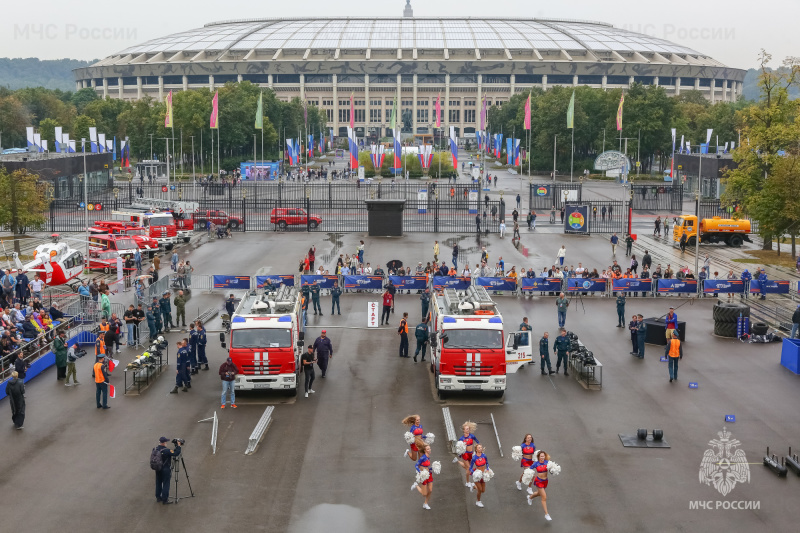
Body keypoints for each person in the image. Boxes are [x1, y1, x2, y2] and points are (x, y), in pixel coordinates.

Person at [153, 437, 182, 504]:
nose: (166, 443)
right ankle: (165, 499)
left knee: (158, 483)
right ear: (163, 443)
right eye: (166, 442)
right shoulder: (166, 450)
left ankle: (158, 497)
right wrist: (179, 446)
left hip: (158, 469)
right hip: (165, 469)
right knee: (166, 484)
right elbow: (176, 453)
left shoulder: (155, 449)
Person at [526, 450, 553, 521]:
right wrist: (528, 475)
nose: (542, 457)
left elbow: (551, 470)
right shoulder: (536, 464)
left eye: (543, 456)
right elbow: (529, 470)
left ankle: (530, 497)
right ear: (538, 457)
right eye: (541, 456)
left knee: (539, 493)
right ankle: (546, 514)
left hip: (545, 481)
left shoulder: (547, 463)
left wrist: (552, 470)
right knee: (544, 497)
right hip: (539, 481)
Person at [454, 421, 479, 488]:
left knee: (467, 467)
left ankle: (458, 461)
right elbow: (458, 447)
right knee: (468, 468)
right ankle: (467, 482)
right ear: (464, 430)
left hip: (471, 454)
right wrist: (459, 454)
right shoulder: (461, 439)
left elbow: (477, 442)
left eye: (468, 429)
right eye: (467, 429)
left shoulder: (472, 436)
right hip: (465, 454)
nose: (468, 430)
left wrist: (477, 449)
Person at [411, 443, 435, 510]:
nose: (429, 450)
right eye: (428, 449)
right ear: (425, 450)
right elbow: (416, 465)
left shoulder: (428, 457)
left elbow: (427, 467)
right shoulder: (423, 458)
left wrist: (432, 468)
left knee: (430, 490)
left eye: (429, 448)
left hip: (429, 474)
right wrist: (420, 472)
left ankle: (425, 503)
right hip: (424, 476)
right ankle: (416, 485)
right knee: (424, 494)